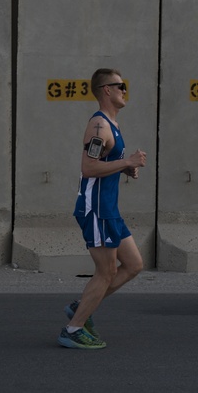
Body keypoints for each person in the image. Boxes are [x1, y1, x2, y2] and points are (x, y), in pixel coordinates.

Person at [58, 68, 147, 350]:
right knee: (106, 271)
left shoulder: (113, 124)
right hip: (96, 209)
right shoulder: (99, 126)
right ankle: (73, 329)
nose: (125, 90)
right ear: (106, 90)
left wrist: (125, 168)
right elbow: (89, 168)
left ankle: (82, 306)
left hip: (109, 209)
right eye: (120, 85)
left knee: (133, 265)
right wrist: (126, 162)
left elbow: (105, 164)